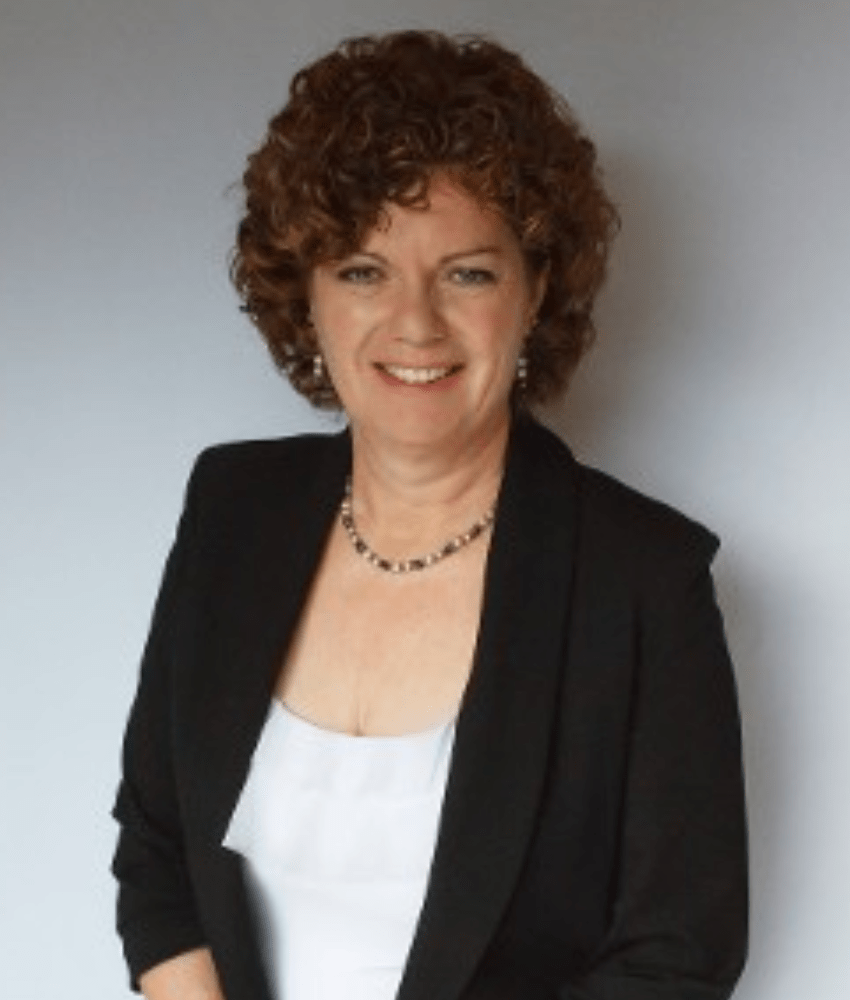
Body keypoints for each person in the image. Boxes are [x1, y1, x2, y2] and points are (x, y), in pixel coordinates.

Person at [111, 30, 748, 1000]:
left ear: (536, 289)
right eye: (363, 270)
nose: (414, 323)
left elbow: (675, 957)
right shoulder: (231, 509)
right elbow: (157, 854)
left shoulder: (643, 580)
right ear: (308, 294)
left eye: (467, 272)